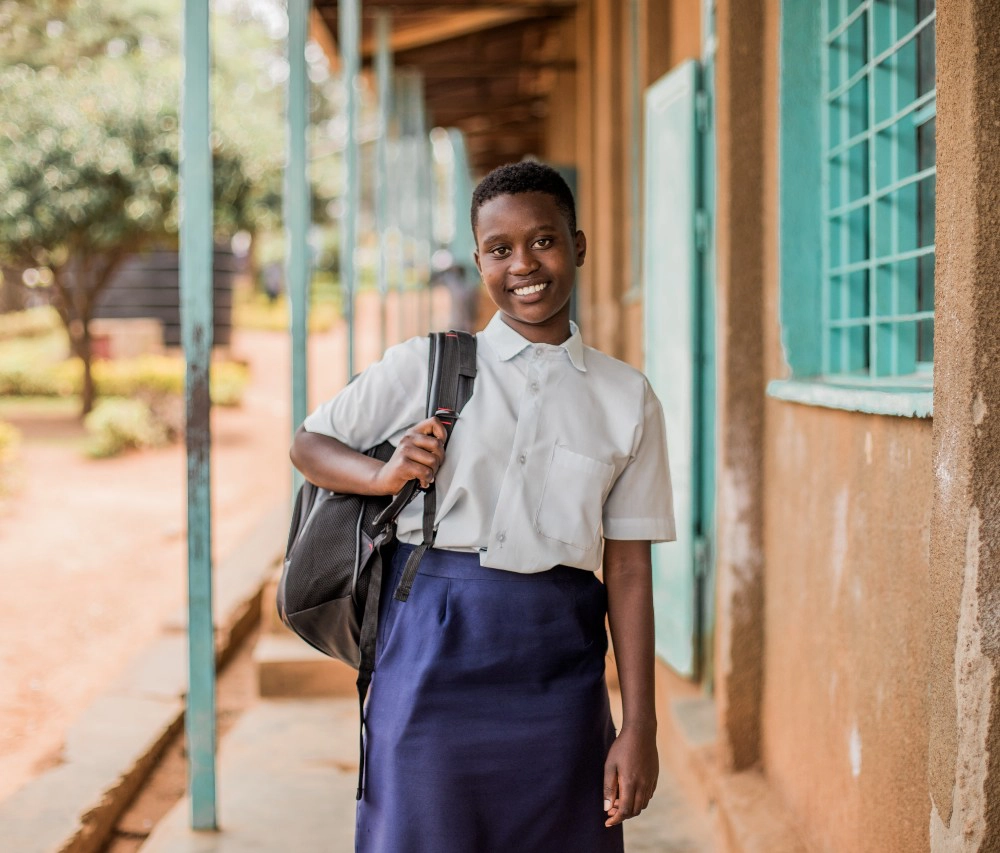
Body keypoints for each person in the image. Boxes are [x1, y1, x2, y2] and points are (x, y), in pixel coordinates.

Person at [290, 161, 675, 853]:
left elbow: (629, 572)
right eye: (500, 249)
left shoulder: (627, 398)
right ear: (478, 260)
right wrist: (383, 476)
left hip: (559, 659)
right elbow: (310, 443)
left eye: (543, 241)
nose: (523, 264)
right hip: (430, 643)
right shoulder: (427, 364)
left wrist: (638, 724)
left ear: (578, 245)